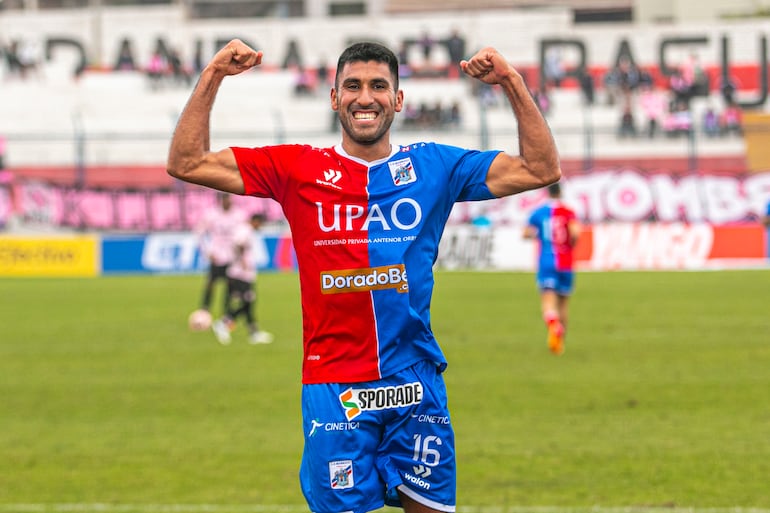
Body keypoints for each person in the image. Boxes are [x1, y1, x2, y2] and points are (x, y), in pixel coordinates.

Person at [167, 39, 560, 513]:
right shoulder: (297, 168)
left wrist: (511, 84)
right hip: (334, 389)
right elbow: (186, 162)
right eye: (352, 86)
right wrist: (213, 74)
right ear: (334, 97)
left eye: (378, 86)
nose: (365, 97)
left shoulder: (434, 166)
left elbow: (540, 168)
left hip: (414, 382)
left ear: (398, 99)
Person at [523, 182, 580, 356]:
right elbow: (575, 234)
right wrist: (569, 246)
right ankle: (560, 344)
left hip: (547, 260)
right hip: (566, 262)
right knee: (563, 302)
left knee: (548, 301)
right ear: (561, 192)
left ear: (547, 192)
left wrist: (540, 235)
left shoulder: (539, 212)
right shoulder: (568, 212)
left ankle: (553, 325)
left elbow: (526, 233)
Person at [212, 213, 274, 345]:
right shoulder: (245, 230)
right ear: (255, 221)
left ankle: (254, 333)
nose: (260, 226)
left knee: (249, 303)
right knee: (248, 300)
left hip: (243, 273)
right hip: (240, 274)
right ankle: (225, 322)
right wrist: (242, 261)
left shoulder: (245, 229)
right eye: (260, 223)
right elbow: (238, 244)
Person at [194, 192, 247, 317]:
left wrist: (241, 255)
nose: (227, 202)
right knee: (211, 282)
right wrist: (207, 252)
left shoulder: (239, 215)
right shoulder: (211, 215)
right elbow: (199, 233)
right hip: (217, 255)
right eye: (225, 199)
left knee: (230, 284)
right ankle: (205, 309)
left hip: (232, 256)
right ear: (220, 200)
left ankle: (226, 311)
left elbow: (244, 234)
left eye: (229, 199)